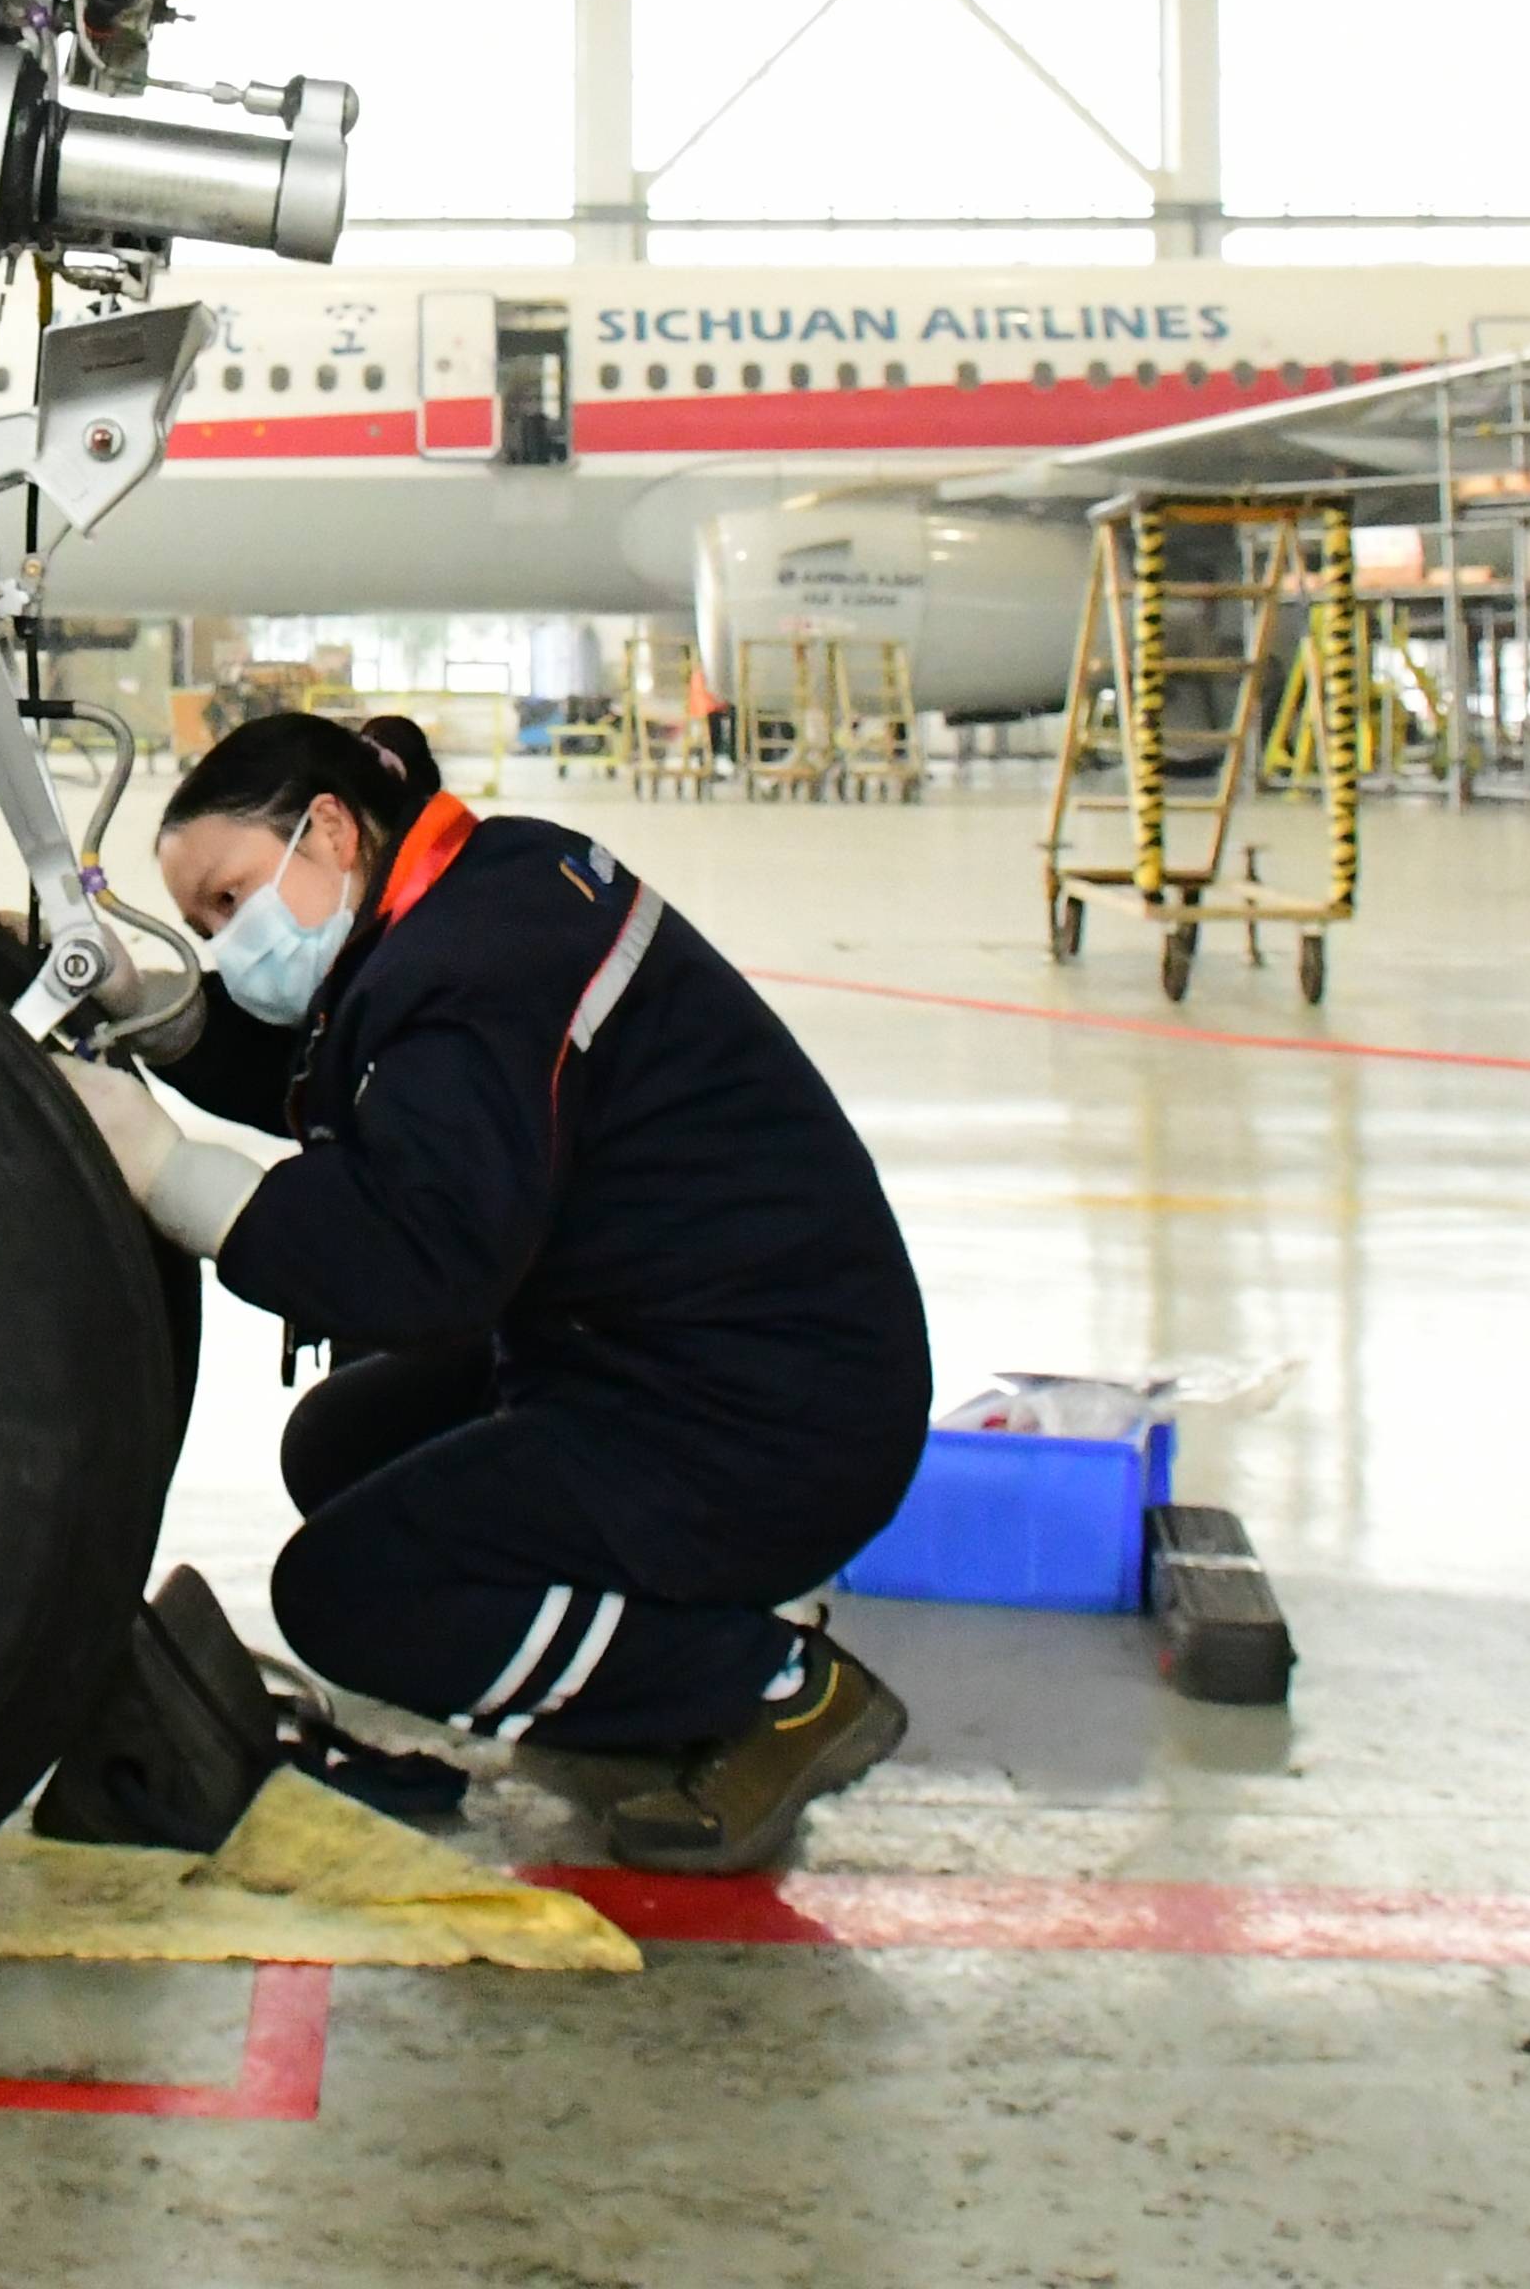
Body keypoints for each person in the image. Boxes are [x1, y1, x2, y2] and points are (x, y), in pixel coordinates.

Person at [61, 711, 932, 1876]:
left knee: (350, 1597)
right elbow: (357, 1072)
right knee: (341, 1448)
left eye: (228, 900)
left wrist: (172, 1175)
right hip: (690, 1346)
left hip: (765, 1421)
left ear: (326, 828)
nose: (226, 943)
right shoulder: (475, 886)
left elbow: (422, 1266)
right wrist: (162, 1021)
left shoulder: (476, 967)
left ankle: (775, 1688)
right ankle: (635, 1646)